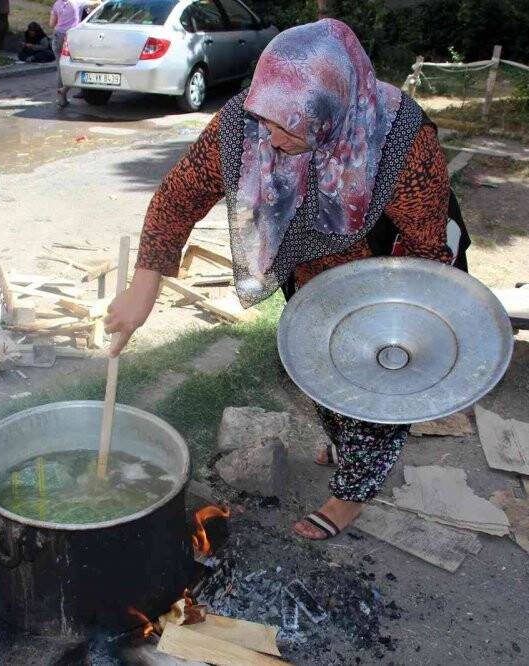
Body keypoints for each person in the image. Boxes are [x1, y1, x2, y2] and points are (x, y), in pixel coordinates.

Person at [105, 19, 470, 541]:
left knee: (376, 384)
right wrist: (144, 288)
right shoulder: (246, 121)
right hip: (312, 269)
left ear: (334, 113)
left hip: (392, 274)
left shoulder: (398, 139)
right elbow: (177, 197)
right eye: (266, 120)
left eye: (290, 129)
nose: (271, 137)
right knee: (315, 359)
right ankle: (345, 437)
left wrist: (389, 328)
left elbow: (425, 249)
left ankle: (353, 492)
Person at [50, 0, 84, 107]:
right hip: (72, 37)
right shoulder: (77, 2)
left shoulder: (56, 4)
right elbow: (96, 3)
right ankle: (66, 89)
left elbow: (51, 24)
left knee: (60, 67)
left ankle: (62, 99)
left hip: (58, 36)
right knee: (77, 65)